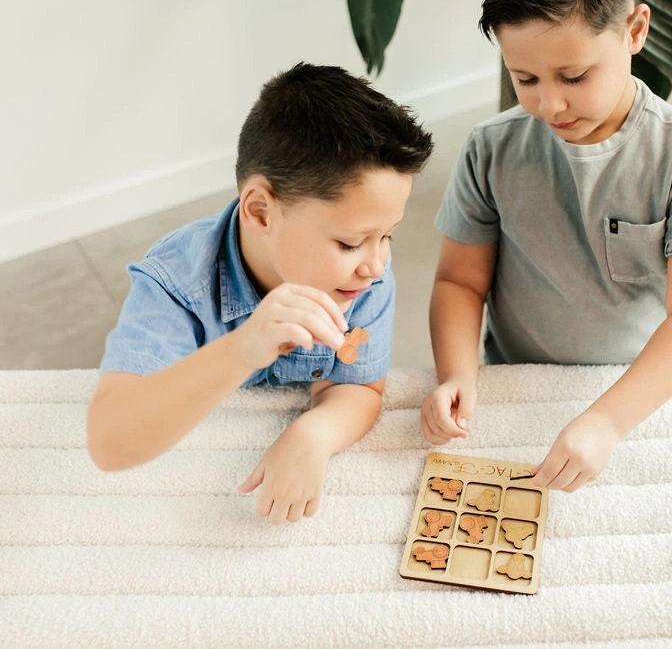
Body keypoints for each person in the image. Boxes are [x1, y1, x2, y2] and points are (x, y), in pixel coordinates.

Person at [420, 0, 672, 492]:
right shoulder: (490, 149)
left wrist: (608, 422)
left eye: (574, 77)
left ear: (635, 30)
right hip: (514, 381)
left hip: (633, 391)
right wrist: (457, 374)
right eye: (525, 79)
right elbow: (459, 281)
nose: (549, 104)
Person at [87, 62, 434, 524]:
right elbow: (109, 443)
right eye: (350, 242)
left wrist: (313, 435)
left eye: (387, 235)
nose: (375, 264)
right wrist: (243, 348)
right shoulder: (176, 284)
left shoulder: (361, 278)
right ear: (260, 212)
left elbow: (359, 387)